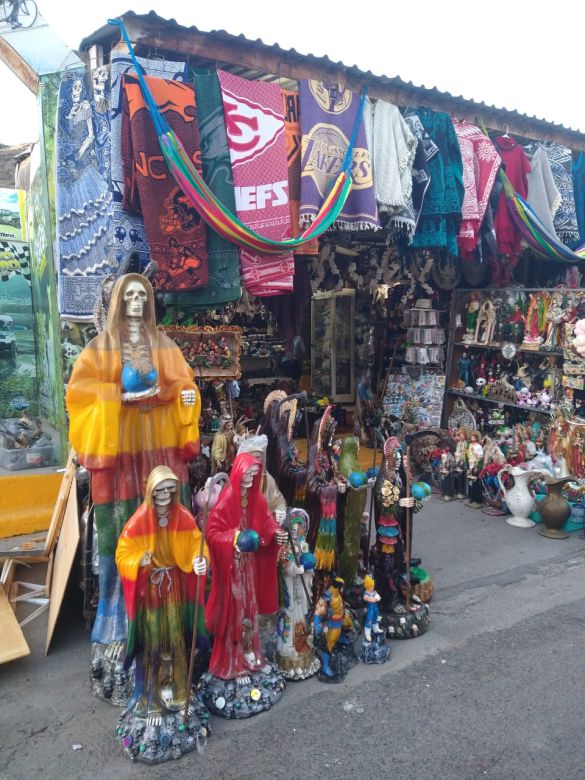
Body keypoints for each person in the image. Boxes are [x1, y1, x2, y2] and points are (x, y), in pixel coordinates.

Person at [66, 274, 201, 703]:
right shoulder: (98, 351)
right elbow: (79, 396)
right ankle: (118, 623)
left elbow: (186, 387)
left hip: (159, 454)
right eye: (131, 295)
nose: (138, 301)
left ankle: (170, 623)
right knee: (122, 536)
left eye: (144, 294)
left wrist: (182, 398)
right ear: (118, 302)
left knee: (165, 526)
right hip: (121, 457)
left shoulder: (164, 346)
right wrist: (117, 399)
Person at [115, 467, 210, 763]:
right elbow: (122, 552)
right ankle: (152, 699)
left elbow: (197, 544)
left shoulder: (183, 516)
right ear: (150, 491)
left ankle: (181, 691)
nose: (166, 496)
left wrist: (200, 561)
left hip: (175, 590)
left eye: (170, 490)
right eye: (160, 491)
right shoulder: (139, 521)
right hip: (152, 592)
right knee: (155, 644)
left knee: (177, 641)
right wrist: (137, 561)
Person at [200, 452, 287, 718]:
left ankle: (250, 653)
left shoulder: (258, 499)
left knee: (250, 610)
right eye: (247, 475)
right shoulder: (226, 500)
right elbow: (213, 534)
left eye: (254, 475)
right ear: (238, 473)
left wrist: (275, 533)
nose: (250, 480)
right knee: (235, 614)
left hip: (249, 567)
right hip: (231, 569)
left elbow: (266, 522)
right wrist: (235, 538)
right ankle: (233, 662)